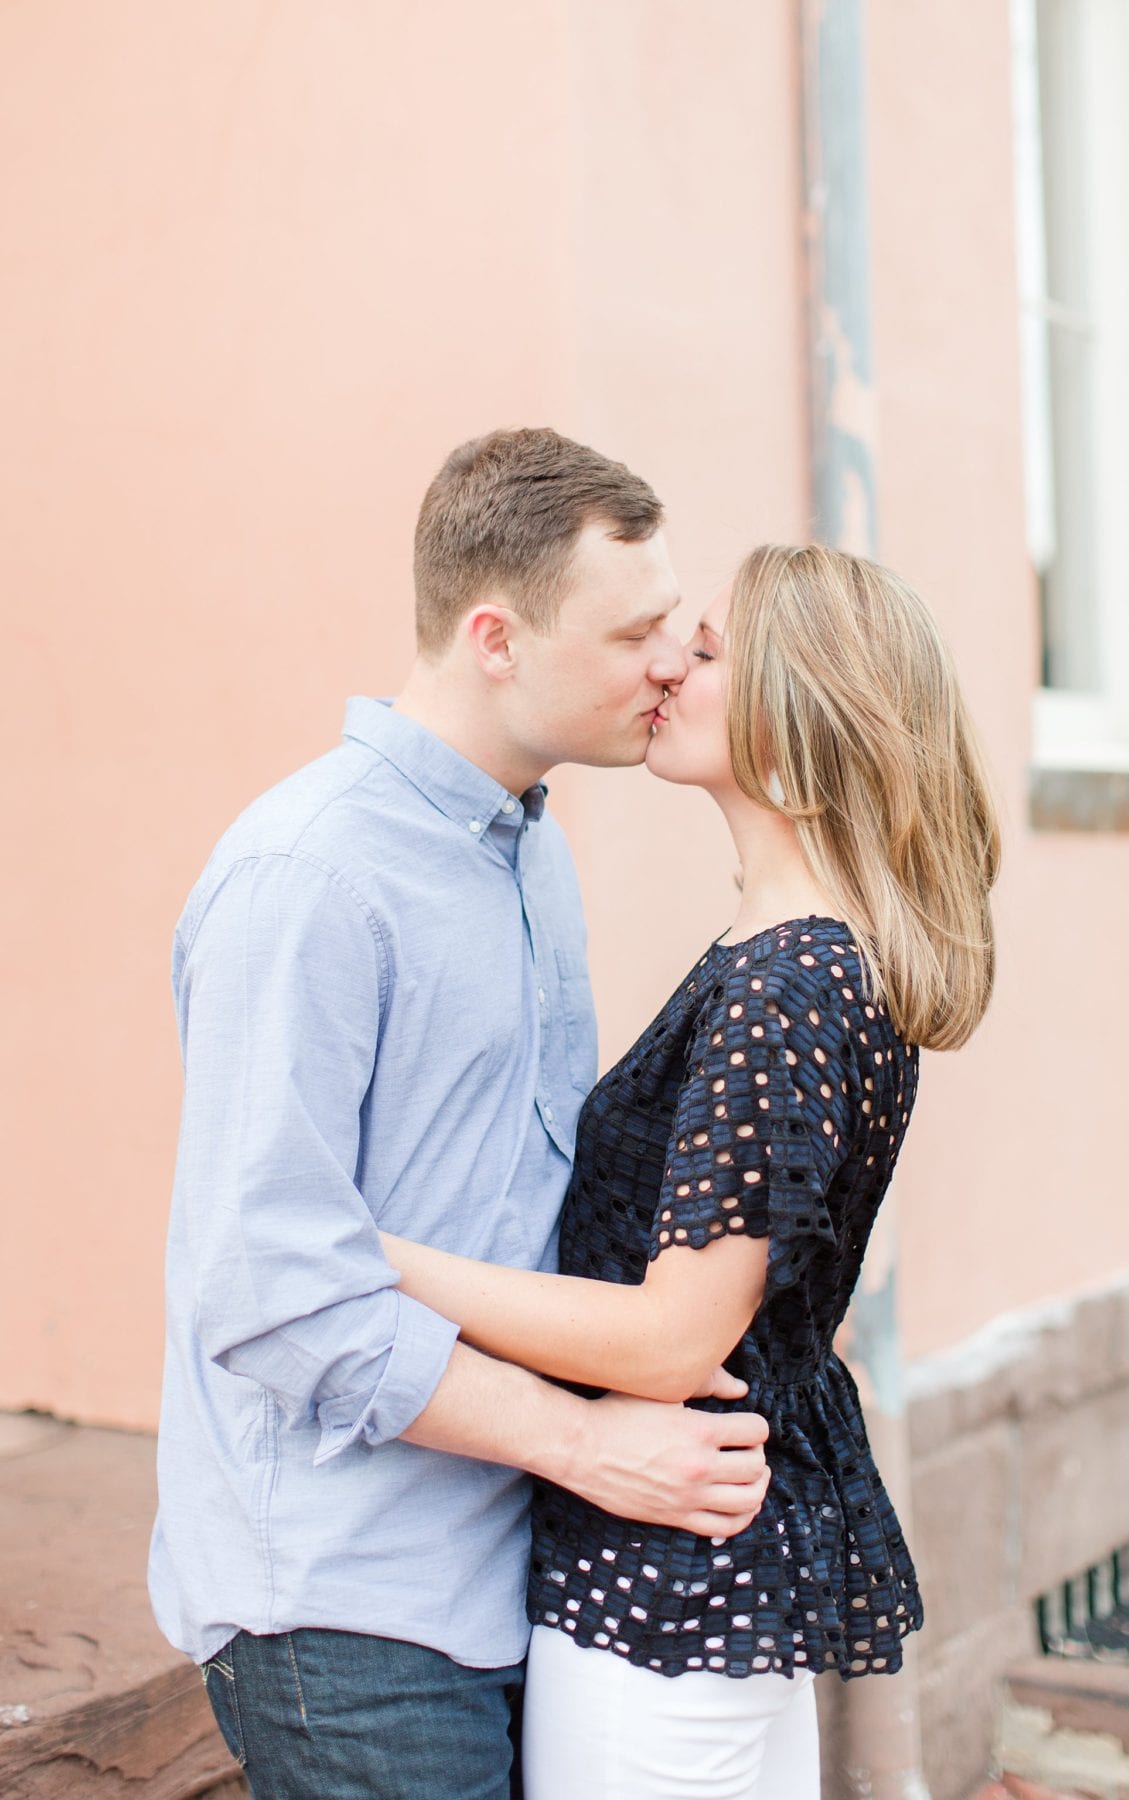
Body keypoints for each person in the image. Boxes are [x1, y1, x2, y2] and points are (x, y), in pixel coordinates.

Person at [150, 428, 773, 1800]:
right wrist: (587, 1444)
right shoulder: (307, 879)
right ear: (496, 637)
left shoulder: (530, 845)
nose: (670, 663)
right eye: (633, 634)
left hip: (512, 1564)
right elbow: (268, 1289)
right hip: (347, 1610)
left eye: (675, 627)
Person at [377, 542, 1002, 1799]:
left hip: (657, 1605)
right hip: (697, 1583)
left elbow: (675, 1340)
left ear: (794, 716)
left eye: (707, 653)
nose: (669, 666)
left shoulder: (785, 989)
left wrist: (378, 1258)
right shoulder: (798, 957)